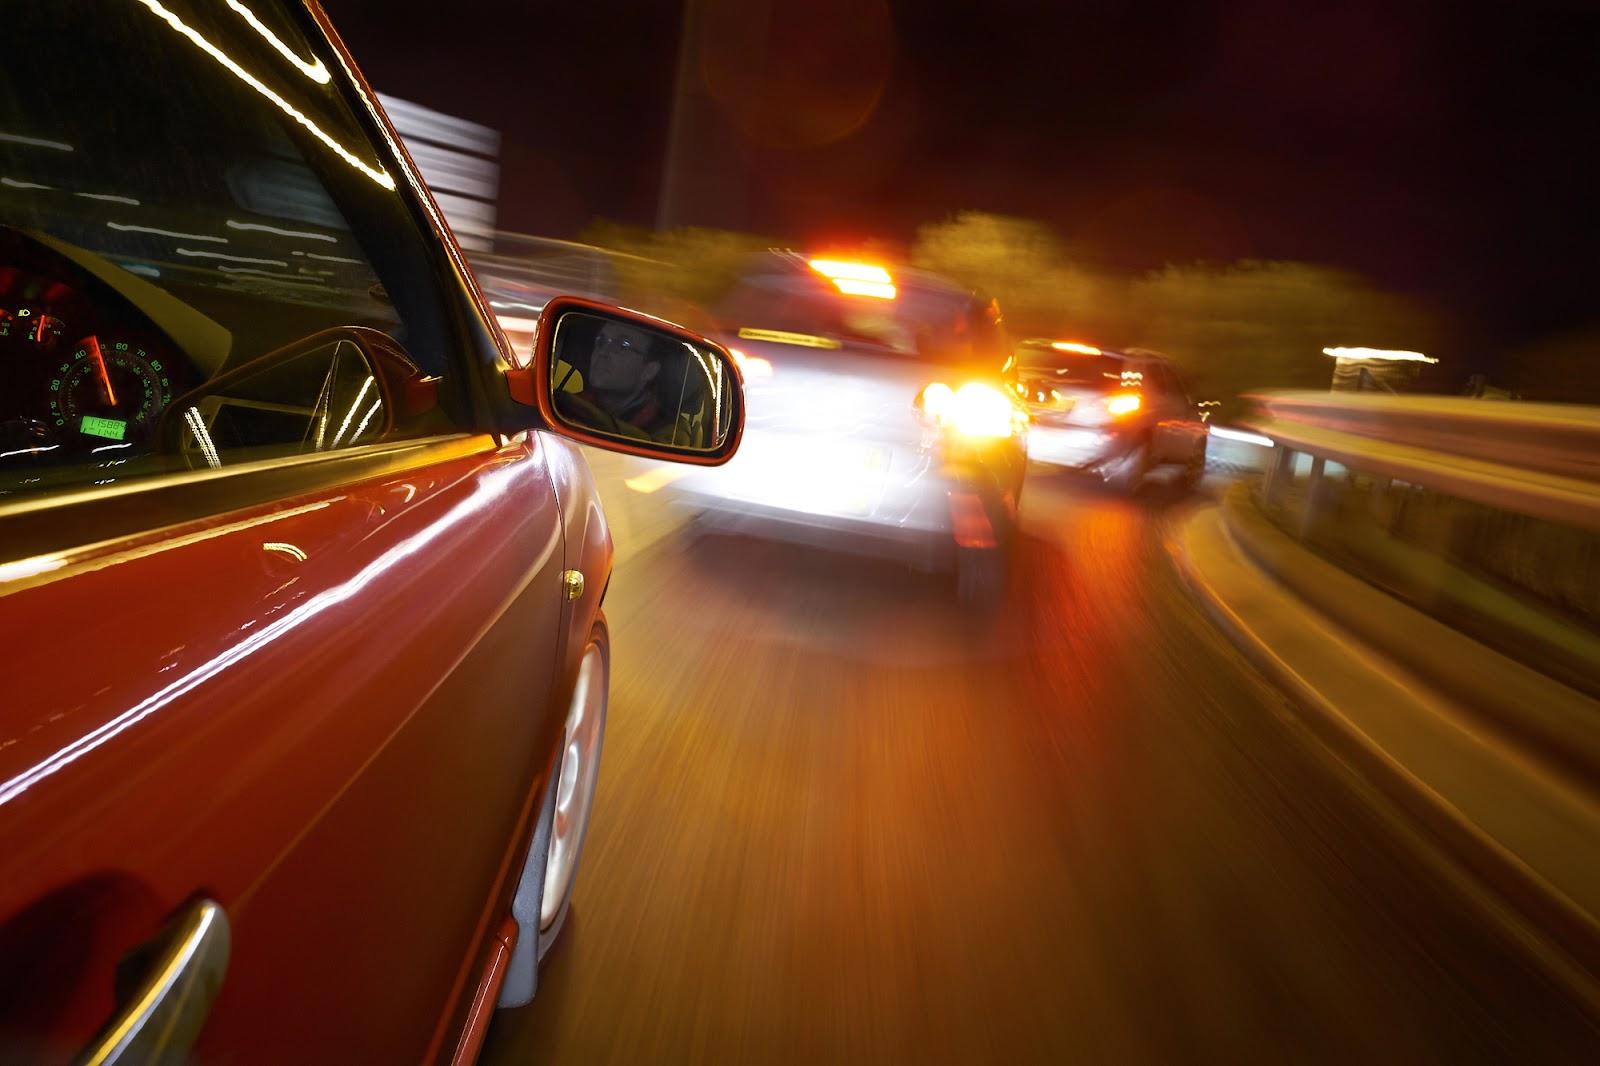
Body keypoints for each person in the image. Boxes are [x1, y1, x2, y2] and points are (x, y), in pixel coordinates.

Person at [554, 319, 708, 447]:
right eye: (601, 341)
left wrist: (578, 408)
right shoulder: (562, 405)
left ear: (649, 370)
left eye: (623, 345)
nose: (604, 351)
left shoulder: (670, 433)